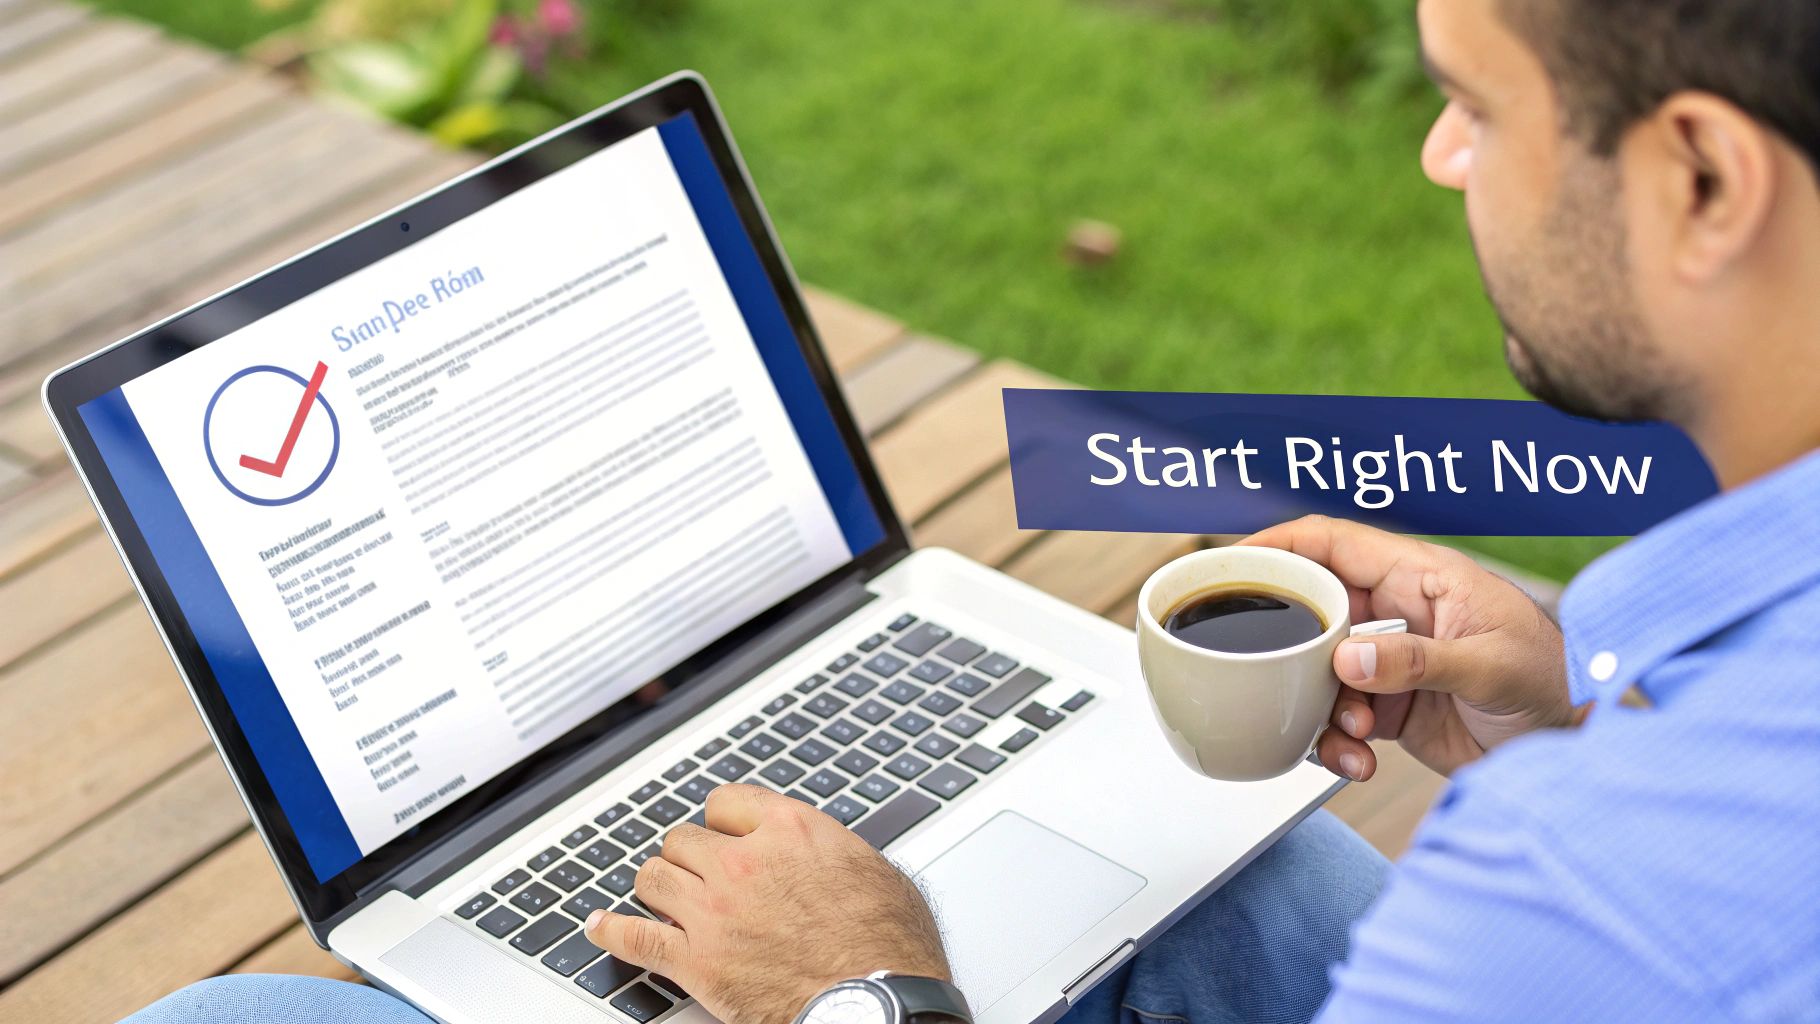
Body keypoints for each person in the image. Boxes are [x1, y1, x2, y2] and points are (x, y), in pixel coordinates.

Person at [125, 0, 1820, 1021]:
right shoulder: (1674, 771)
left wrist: (861, 993)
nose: (1442, 160)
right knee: (1210, 872)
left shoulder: (1580, 901)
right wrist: (1571, 717)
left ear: (1700, 177)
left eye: (1475, 101)